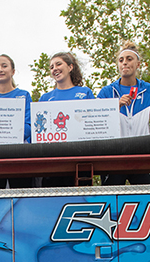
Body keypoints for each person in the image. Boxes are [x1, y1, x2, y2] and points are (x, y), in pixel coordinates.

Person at [97, 41, 150, 185]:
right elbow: (96, 120)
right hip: (113, 158)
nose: (125, 63)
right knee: (112, 202)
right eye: (121, 60)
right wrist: (115, 106)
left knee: (146, 201)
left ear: (138, 64)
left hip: (143, 156)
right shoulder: (107, 92)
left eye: (129, 59)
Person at [39, 52, 95, 187]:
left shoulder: (85, 92)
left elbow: (93, 123)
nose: (55, 69)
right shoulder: (45, 98)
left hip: (80, 158)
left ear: (70, 67)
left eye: (59, 64)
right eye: (51, 67)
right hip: (53, 161)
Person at [0, 54, 34, 189]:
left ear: (13, 71)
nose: (0, 70)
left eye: (4, 66)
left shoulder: (24, 95)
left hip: (19, 157)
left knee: (21, 198)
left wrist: (9, 136)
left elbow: (29, 126)